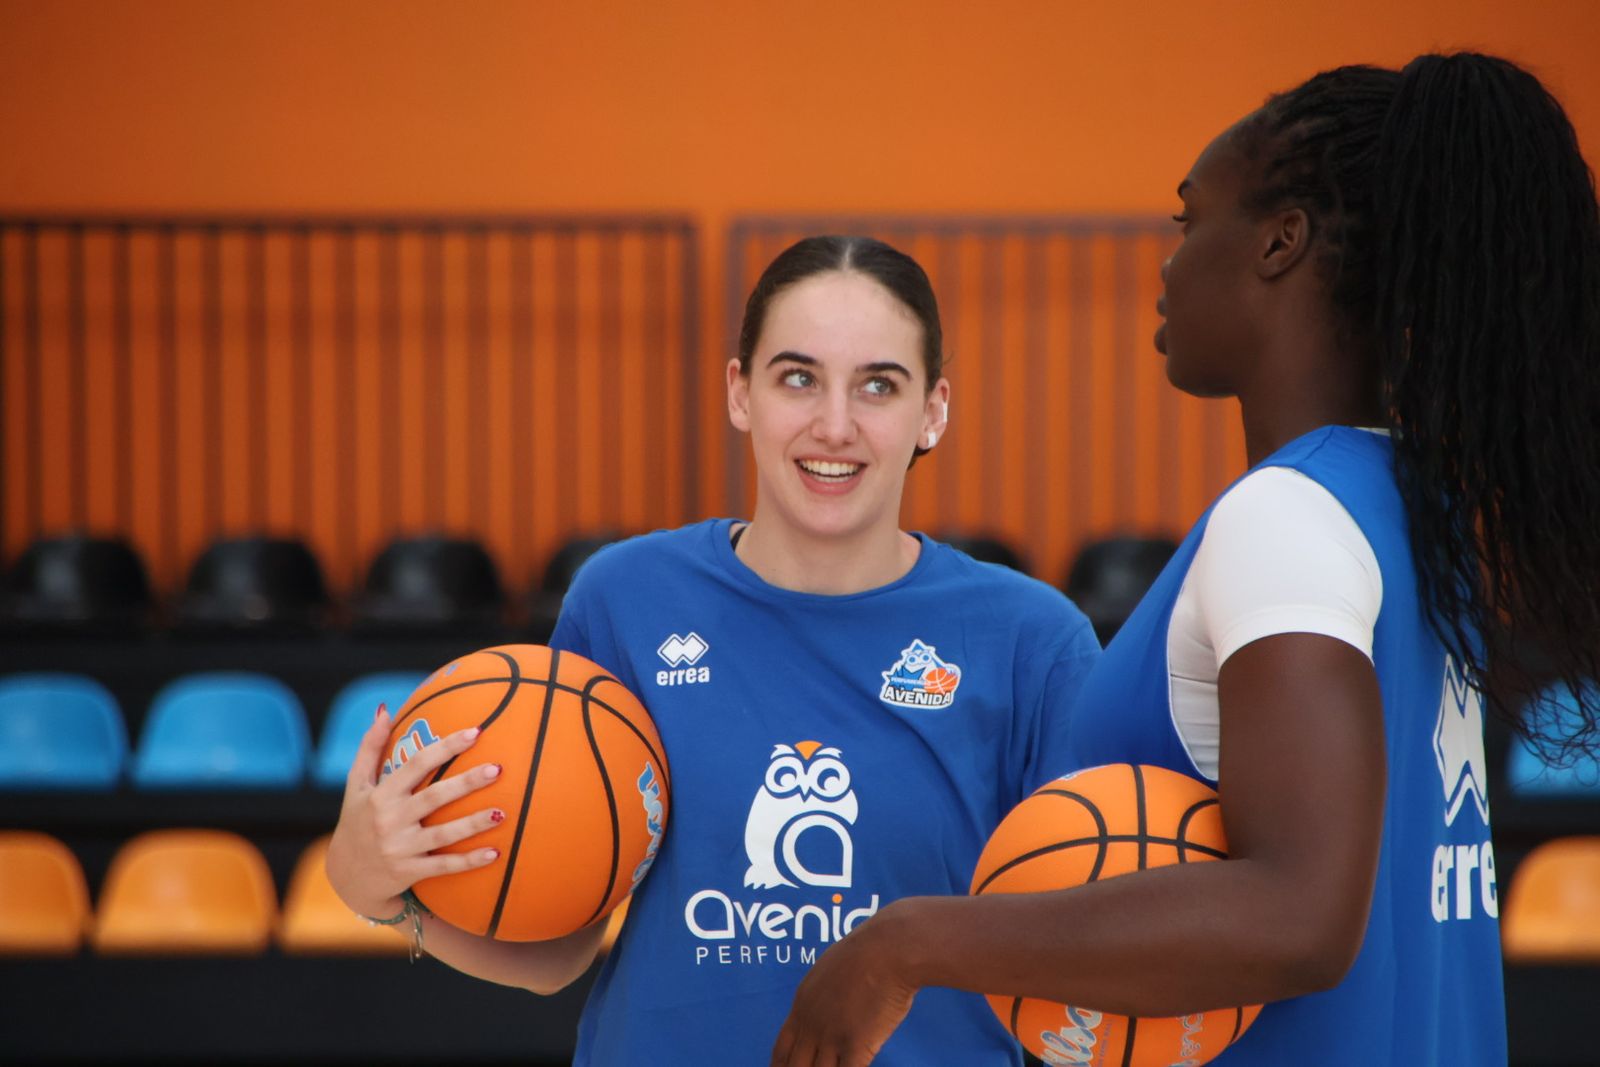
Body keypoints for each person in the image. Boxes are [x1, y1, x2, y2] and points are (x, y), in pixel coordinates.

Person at [772, 53, 1600, 1067]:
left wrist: (901, 945)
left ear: (1279, 241)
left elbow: (1298, 912)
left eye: (1185, 219)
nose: (1166, 263)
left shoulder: (1286, 517)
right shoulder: (1414, 508)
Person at [325, 235, 1102, 1064]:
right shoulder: (626, 598)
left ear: (934, 408)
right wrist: (375, 888)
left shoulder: (1030, 639)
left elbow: (1087, 954)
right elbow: (558, 950)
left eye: (878, 384)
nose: (834, 425)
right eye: (797, 377)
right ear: (741, 391)